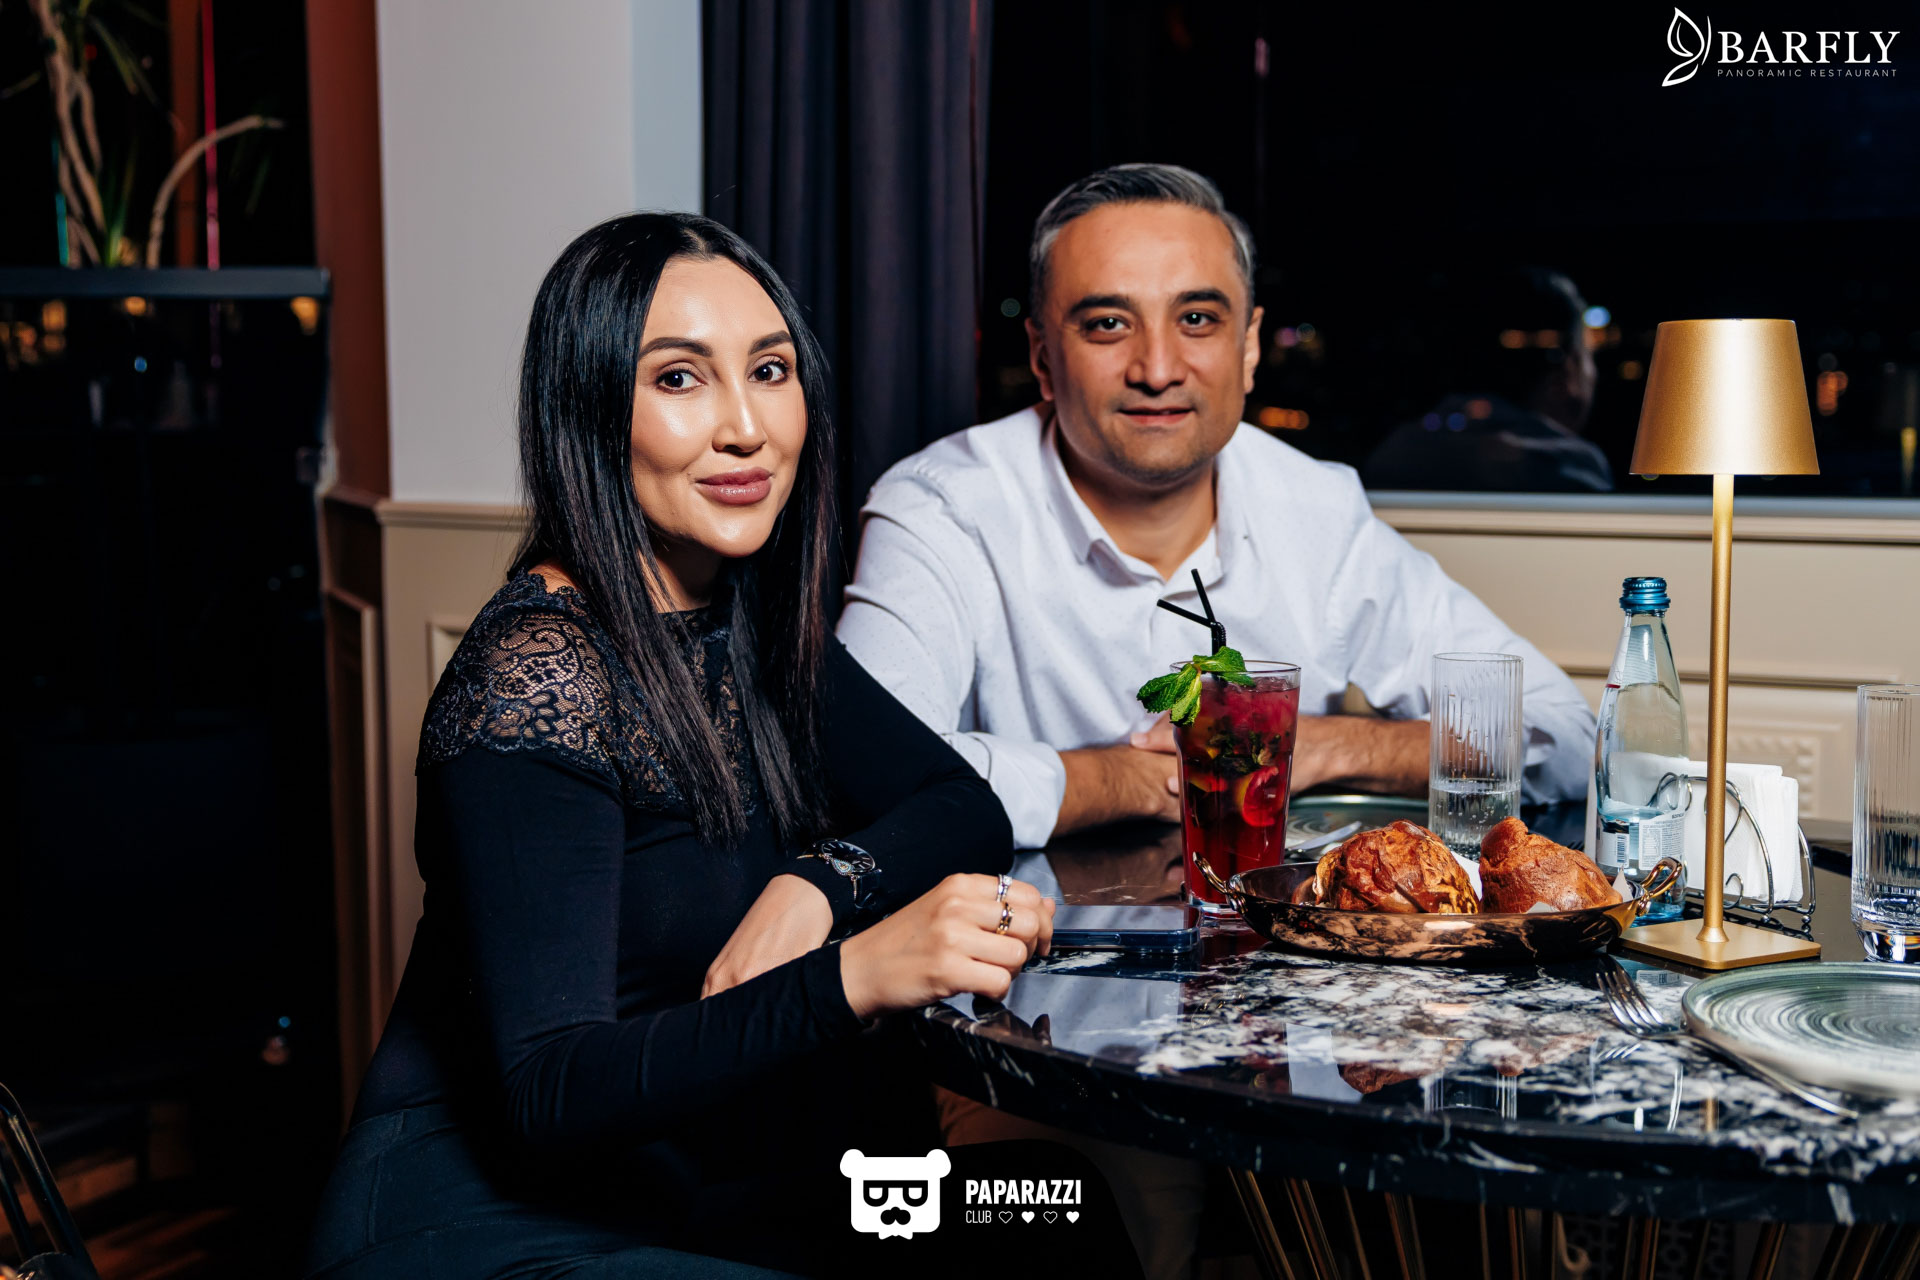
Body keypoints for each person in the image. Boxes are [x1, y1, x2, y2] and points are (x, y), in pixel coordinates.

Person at [303, 212, 1049, 1279]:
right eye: (680, 379)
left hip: (699, 1183)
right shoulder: (537, 671)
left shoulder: (747, 623)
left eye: (770, 370)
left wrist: (817, 886)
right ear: (591, 409)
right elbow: (550, 1090)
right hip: (488, 1225)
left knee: (1064, 1217)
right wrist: (854, 973)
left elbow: (962, 804)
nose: (746, 426)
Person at [839, 163, 1597, 854]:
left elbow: (1561, 736)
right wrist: (1123, 780)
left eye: (1197, 319)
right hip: (1021, 946)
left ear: (1250, 346)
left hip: (1274, 947)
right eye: (1108, 324)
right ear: (1042, 357)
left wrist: (1317, 744)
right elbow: (859, 776)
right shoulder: (941, 509)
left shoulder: (1316, 509)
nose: (1157, 369)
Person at [1363, 266, 1613, 492]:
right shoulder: (1572, 467)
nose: (1593, 374)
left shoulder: (1398, 451)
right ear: (1566, 370)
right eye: (1588, 355)